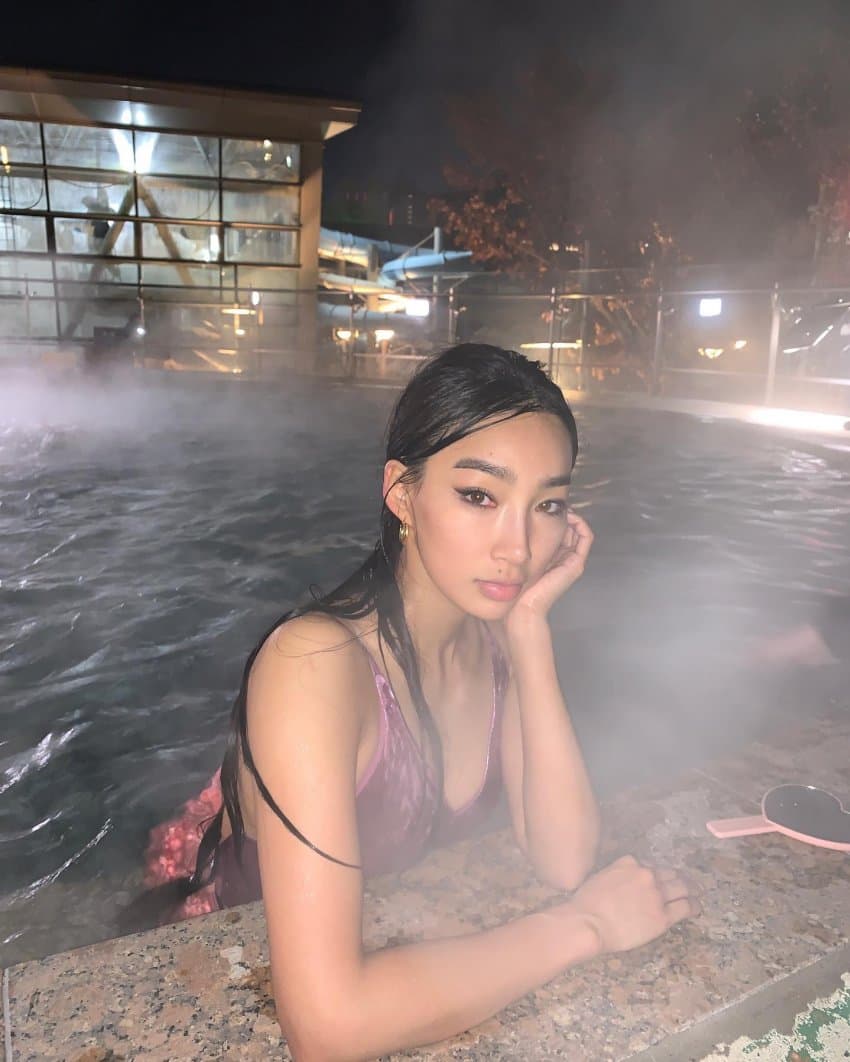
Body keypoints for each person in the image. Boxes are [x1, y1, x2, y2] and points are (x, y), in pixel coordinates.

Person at [139, 344, 699, 1058]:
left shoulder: (496, 637)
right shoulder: (314, 665)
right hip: (218, 926)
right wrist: (584, 926)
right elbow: (325, 1028)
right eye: (480, 496)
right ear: (402, 494)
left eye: (548, 505)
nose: (518, 547)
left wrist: (531, 632)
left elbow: (562, 858)